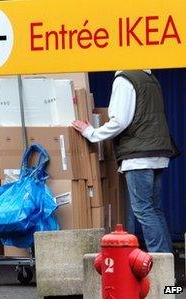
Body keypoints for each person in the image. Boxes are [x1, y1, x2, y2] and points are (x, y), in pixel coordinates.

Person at [72, 69, 178, 253]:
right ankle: (166, 262)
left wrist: (92, 133)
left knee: (144, 210)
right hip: (157, 151)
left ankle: (160, 260)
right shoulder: (149, 77)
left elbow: (120, 121)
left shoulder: (125, 79)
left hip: (139, 155)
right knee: (154, 209)